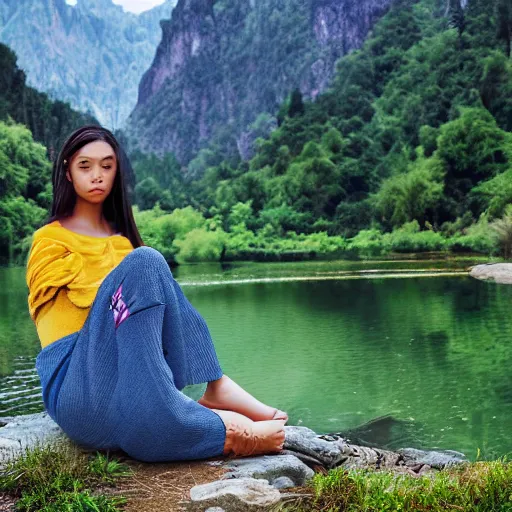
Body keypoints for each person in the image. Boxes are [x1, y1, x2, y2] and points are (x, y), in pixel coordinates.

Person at [25, 124, 288, 462]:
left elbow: (144, 329)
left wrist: (125, 303)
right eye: (85, 166)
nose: (97, 176)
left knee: (147, 261)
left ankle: (210, 386)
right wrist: (117, 305)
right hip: (80, 394)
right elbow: (58, 338)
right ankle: (230, 429)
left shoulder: (124, 245)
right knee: (146, 260)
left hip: (130, 390)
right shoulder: (49, 241)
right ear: (67, 172)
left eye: (107, 166)